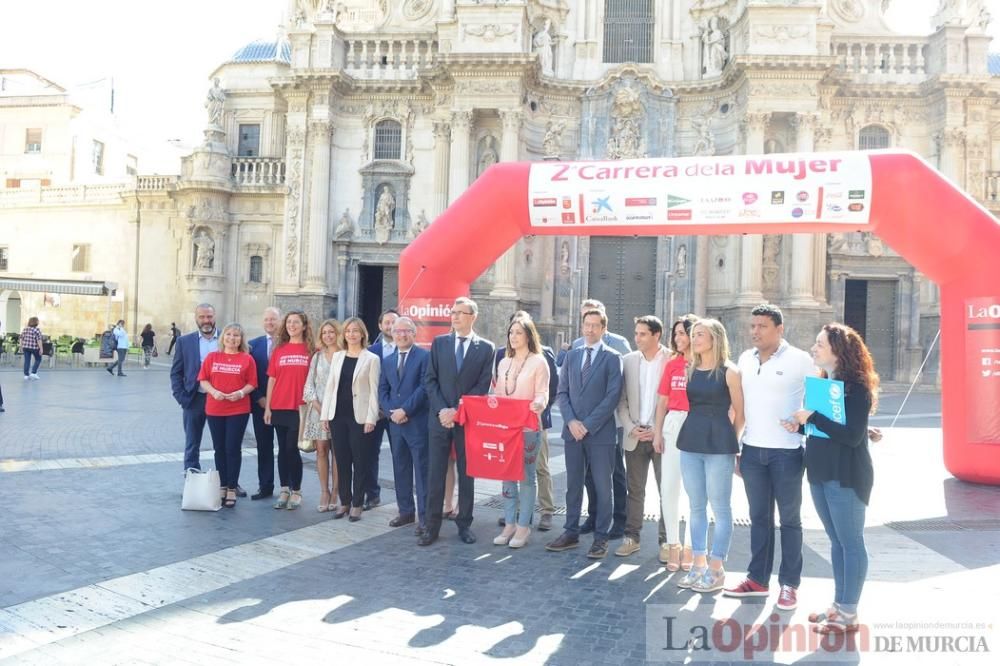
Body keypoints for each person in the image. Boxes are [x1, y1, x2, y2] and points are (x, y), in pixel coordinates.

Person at [783, 323, 878, 635]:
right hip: (821, 471)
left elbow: (850, 437)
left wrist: (813, 417)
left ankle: (849, 612)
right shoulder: (825, 384)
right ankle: (839, 605)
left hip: (846, 475)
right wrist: (800, 426)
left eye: (820, 344)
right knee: (837, 542)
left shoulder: (857, 389)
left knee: (851, 543)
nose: (814, 348)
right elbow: (828, 429)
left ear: (838, 351)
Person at [725, 304, 816, 611]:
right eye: (752, 326)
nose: (755, 331)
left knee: (790, 520)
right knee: (759, 519)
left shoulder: (801, 359)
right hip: (751, 451)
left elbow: (822, 394)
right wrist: (736, 447)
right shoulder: (744, 360)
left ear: (780, 329)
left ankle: (789, 584)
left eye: (762, 326)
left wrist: (804, 420)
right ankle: (757, 579)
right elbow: (739, 406)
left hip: (787, 453)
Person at [546, 308, 624, 559]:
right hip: (572, 433)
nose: (589, 329)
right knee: (573, 486)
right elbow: (562, 392)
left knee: (603, 487)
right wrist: (570, 422)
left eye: (595, 325)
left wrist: (587, 424)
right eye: (586, 325)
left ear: (603, 329)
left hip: (600, 434)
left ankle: (601, 538)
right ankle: (570, 532)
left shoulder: (613, 357)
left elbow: (612, 396)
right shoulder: (571, 355)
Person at [675, 318, 744, 593]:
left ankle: (716, 569)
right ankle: (699, 564)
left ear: (716, 337)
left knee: (721, 507)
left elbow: (740, 412)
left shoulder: (730, 371)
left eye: (700, 334)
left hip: (719, 444)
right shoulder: (690, 368)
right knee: (695, 506)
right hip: (690, 440)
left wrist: (731, 440)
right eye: (694, 334)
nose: (695, 338)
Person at [420, 297, 496, 546]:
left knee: (467, 473)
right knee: (435, 474)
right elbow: (430, 380)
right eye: (452, 312)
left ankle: (464, 524)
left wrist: (458, 410)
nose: (453, 316)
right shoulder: (439, 344)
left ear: (473, 317)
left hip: (467, 421)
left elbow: (482, 386)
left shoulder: (486, 348)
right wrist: (444, 410)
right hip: (439, 420)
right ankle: (431, 527)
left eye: (459, 313)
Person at [493, 311, 560, 532]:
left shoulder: (541, 359)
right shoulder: (503, 360)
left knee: (535, 471)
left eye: (518, 332)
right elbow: (499, 392)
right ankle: (511, 520)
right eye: (511, 332)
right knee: (509, 473)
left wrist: (539, 405)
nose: (513, 336)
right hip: (508, 427)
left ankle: (540, 514)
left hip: (532, 423)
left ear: (529, 335)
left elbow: (548, 390)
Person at [571, 299, 629, 539]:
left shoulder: (619, 345)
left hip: (610, 423)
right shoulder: (576, 345)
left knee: (613, 473)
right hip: (580, 427)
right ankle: (593, 516)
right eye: (585, 320)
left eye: (594, 321)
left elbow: (622, 386)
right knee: (587, 475)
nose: (589, 327)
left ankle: (619, 520)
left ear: (603, 322)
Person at [615, 315, 671, 560]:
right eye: (636, 333)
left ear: (656, 335)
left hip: (663, 437)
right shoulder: (628, 361)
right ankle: (632, 537)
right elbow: (621, 401)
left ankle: (667, 542)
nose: (636, 338)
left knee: (666, 490)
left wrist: (659, 429)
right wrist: (630, 426)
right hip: (635, 436)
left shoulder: (673, 360)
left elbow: (678, 401)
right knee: (634, 490)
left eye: (642, 334)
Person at [321, 317, 380, 521]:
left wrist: (371, 418)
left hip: (360, 416)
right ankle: (344, 501)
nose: (351, 334)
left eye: (355, 331)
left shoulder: (371, 359)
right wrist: (325, 415)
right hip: (338, 415)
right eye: (348, 331)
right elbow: (330, 387)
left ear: (362, 334)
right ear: (343, 334)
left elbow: (374, 391)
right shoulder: (338, 356)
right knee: (342, 460)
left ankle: (357, 503)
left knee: (360, 460)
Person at [652, 315, 698, 572]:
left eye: (683, 333)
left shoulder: (705, 365)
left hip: (698, 426)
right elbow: (662, 402)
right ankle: (673, 544)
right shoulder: (672, 364)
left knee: (695, 492)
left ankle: (692, 545)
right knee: (669, 488)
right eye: (676, 334)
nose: (679, 338)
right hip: (673, 425)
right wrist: (658, 433)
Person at [171, 304, 236, 481]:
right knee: (192, 443)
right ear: (196, 318)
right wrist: (182, 398)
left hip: (221, 400)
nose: (206, 321)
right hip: (195, 399)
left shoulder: (228, 338)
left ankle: (228, 483)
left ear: (215, 317)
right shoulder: (184, 342)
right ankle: (192, 481)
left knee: (224, 445)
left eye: (209, 317)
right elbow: (176, 372)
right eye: (202, 317)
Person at [378, 316, 430, 533]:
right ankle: (406, 512)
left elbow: (425, 387)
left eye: (405, 331)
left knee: (422, 471)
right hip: (396, 425)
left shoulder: (425, 357)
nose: (400, 334)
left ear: (413, 333)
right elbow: (382, 390)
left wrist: (405, 410)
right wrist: (392, 413)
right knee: (400, 469)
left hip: (417, 422)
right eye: (397, 331)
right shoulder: (388, 360)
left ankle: (425, 519)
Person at [198, 323, 257, 508]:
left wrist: (240, 393)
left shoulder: (247, 359)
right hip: (215, 408)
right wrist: (214, 392)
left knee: (232, 448)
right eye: (229, 335)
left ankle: (232, 487)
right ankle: (222, 485)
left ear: (241, 339)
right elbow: (203, 379)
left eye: (237, 335)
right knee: (219, 448)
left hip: (238, 409)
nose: (232, 338)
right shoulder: (212, 357)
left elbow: (252, 383)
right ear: (223, 338)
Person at [264, 309, 314, 510]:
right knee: (282, 450)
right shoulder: (279, 349)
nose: (291, 325)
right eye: (289, 322)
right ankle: (284, 489)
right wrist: (268, 407)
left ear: (304, 326)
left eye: (296, 322)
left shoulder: (311, 350)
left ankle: (297, 490)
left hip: (299, 408)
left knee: (292, 449)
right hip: (279, 405)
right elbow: (272, 379)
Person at [303, 318, 341, 512]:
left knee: (339, 453)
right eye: (324, 333)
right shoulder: (317, 357)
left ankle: (336, 491)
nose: (328, 335)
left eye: (331, 332)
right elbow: (309, 386)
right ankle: (324, 491)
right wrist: (319, 408)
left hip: (340, 412)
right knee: (322, 451)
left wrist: (333, 410)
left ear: (338, 333)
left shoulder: (344, 355)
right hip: (318, 413)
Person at [366, 308, 399, 511]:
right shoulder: (370, 352)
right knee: (370, 454)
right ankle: (372, 495)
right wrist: (376, 407)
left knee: (400, 455)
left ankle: (404, 497)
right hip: (375, 413)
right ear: (380, 326)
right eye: (387, 322)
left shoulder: (408, 349)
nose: (390, 326)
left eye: (394, 322)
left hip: (398, 413)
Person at [248, 307, 280, 500]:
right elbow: (249, 376)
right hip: (260, 404)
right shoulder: (253, 346)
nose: (270, 322)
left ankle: (291, 487)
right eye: (267, 319)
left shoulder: (289, 345)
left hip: (285, 406)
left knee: (288, 448)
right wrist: (260, 398)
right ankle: (265, 486)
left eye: (273, 319)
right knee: (264, 446)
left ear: (280, 321)